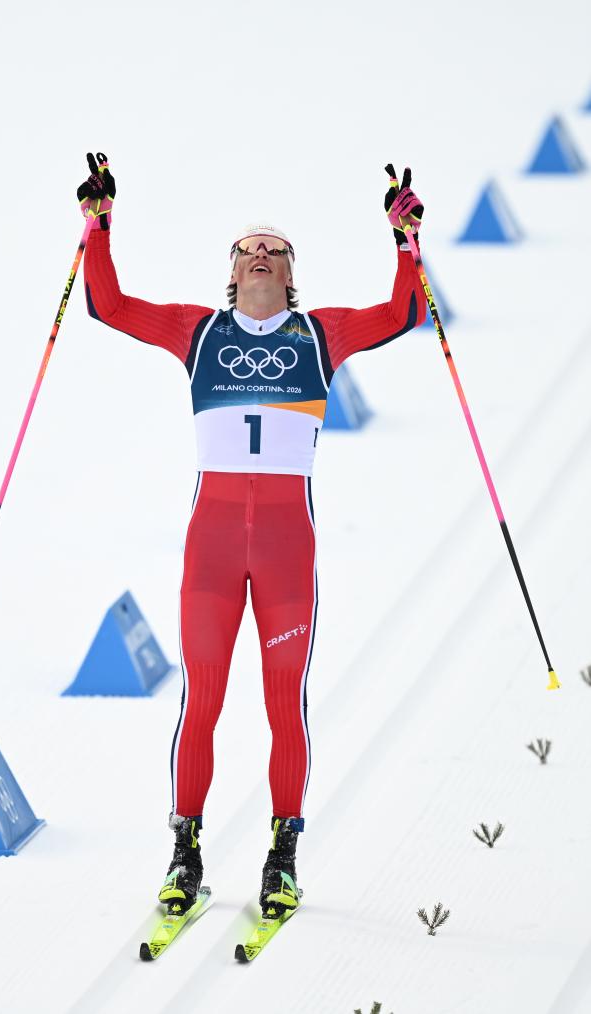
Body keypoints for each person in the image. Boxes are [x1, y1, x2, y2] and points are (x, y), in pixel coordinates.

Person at [77, 153, 426, 918]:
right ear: (231, 273)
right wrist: (98, 224)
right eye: (246, 248)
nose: (260, 252)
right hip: (210, 550)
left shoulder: (321, 333)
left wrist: (405, 241)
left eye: (275, 248)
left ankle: (282, 856)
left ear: (290, 274)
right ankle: (184, 852)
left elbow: (404, 313)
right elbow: (107, 305)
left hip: (284, 552)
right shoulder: (198, 331)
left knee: (283, 706)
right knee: (200, 701)